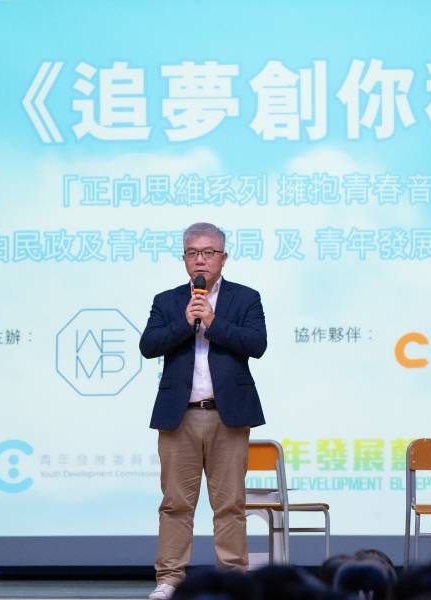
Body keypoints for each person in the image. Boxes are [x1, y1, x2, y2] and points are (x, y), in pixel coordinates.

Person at [140, 223, 268, 600]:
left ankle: (233, 579)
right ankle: (169, 579)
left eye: (208, 252)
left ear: (223, 257)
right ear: (184, 258)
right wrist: (186, 321)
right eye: (193, 253)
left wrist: (212, 322)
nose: (200, 260)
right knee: (176, 504)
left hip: (228, 414)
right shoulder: (167, 301)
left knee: (230, 504)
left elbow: (256, 344)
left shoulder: (246, 298)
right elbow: (149, 345)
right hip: (178, 415)